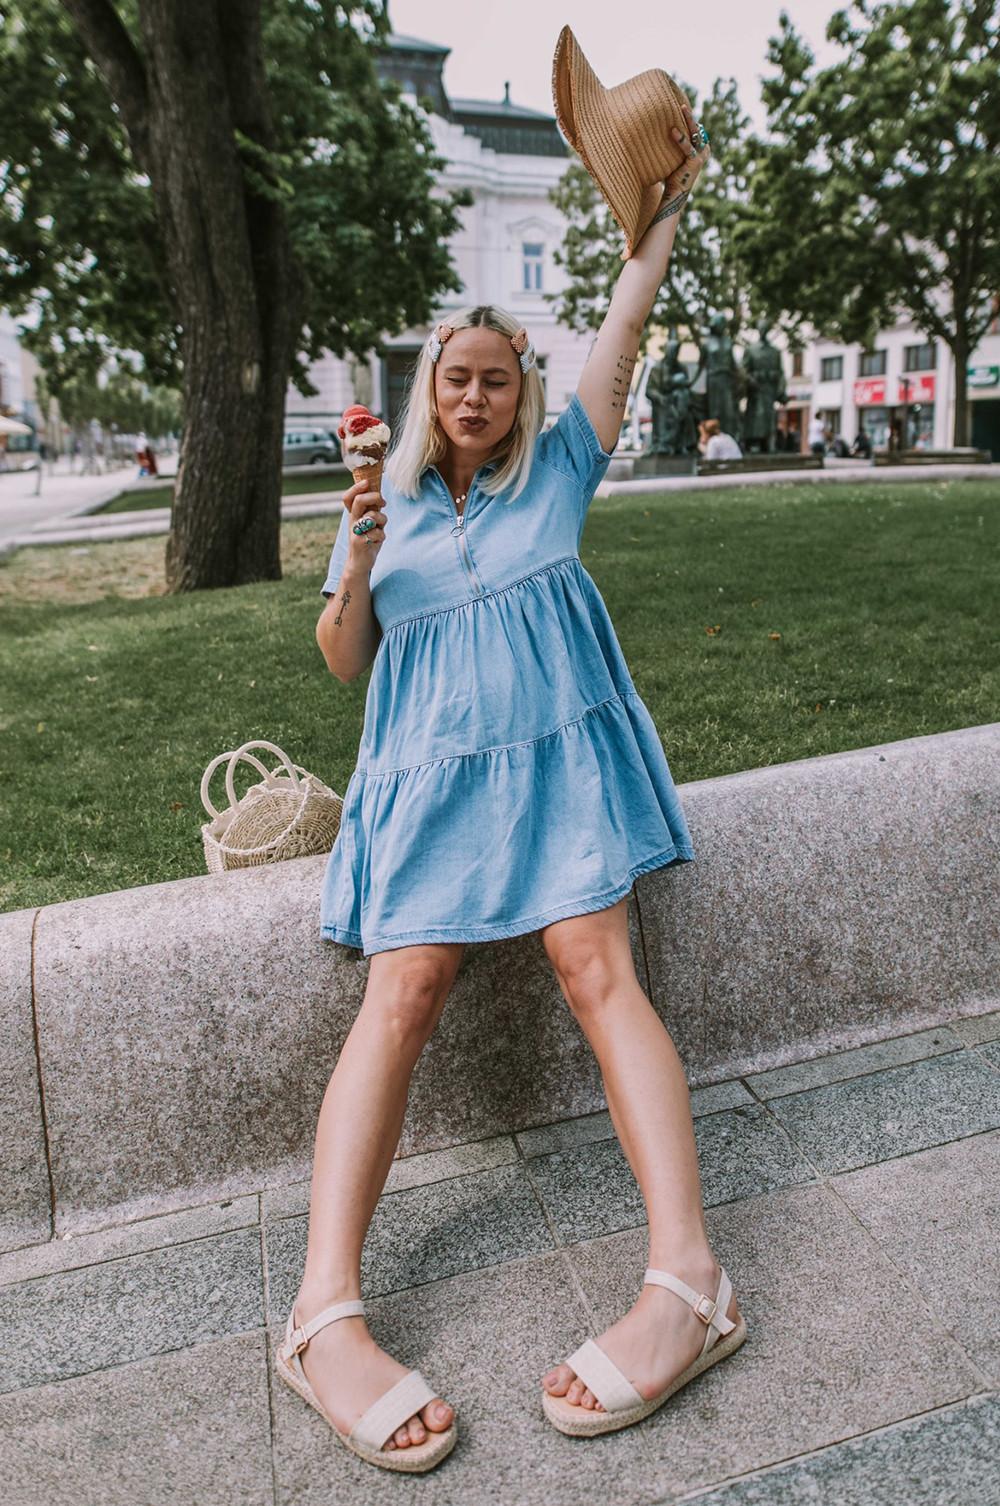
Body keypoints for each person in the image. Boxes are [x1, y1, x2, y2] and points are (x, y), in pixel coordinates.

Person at [287, 107, 741, 1474]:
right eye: (454, 379)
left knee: (596, 963)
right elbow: (342, 660)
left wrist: (658, 216)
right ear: (429, 392)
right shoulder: (388, 510)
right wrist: (359, 556)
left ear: (521, 394)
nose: (473, 395)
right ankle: (323, 1310)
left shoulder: (560, 474)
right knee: (403, 984)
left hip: (554, 775)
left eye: (494, 378)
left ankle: (691, 1277)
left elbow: (626, 317)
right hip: (427, 788)